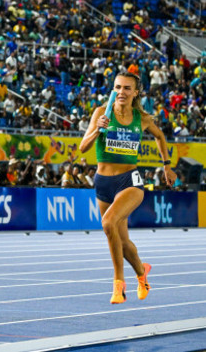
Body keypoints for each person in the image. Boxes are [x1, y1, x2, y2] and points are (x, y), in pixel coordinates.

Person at [79, 72, 175, 305]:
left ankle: (118, 284)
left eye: (127, 88)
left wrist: (166, 166)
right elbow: (83, 148)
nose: (121, 92)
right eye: (117, 87)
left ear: (136, 92)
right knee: (121, 242)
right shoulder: (101, 113)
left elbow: (160, 137)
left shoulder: (141, 118)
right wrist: (96, 130)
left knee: (108, 223)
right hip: (103, 182)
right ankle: (142, 274)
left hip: (129, 181)